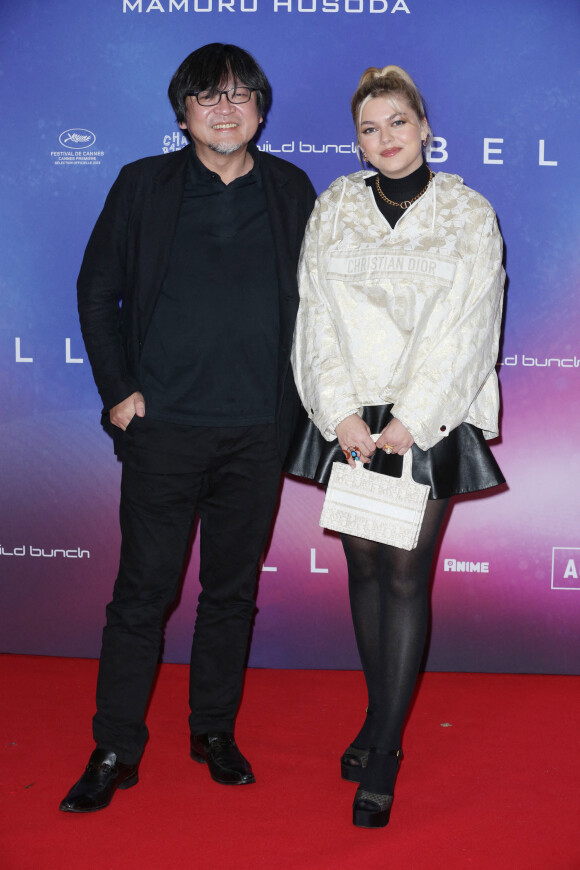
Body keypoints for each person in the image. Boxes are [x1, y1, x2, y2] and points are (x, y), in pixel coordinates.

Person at [60, 43, 316, 813]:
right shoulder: (143, 184)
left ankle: (213, 732)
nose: (226, 108)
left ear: (262, 111)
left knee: (231, 594)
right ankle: (114, 747)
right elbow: (97, 286)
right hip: (163, 428)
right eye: (209, 96)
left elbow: (325, 305)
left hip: (257, 432)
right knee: (142, 593)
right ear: (183, 113)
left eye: (241, 95)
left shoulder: (292, 189)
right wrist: (119, 392)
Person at [287, 65, 505, 828]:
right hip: (351, 417)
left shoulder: (468, 213)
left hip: (427, 418)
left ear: (424, 126)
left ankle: (385, 748)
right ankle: (380, 719)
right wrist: (340, 412)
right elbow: (313, 315)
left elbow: (472, 327)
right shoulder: (334, 208)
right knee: (365, 568)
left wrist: (411, 419)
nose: (385, 139)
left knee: (406, 579)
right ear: (357, 139)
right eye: (369, 128)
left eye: (398, 123)